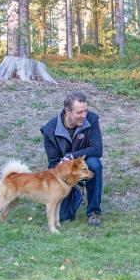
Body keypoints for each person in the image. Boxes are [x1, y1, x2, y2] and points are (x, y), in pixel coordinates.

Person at [40, 91, 104, 226]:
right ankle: (77, 192)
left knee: (95, 164)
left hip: (84, 164)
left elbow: (97, 150)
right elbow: (53, 164)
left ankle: (93, 212)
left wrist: (71, 156)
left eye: (85, 111)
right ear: (67, 111)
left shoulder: (91, 120)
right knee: (64, 217)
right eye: (79, 112)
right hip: (65, 173)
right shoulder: (50, 130)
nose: (84, 115)